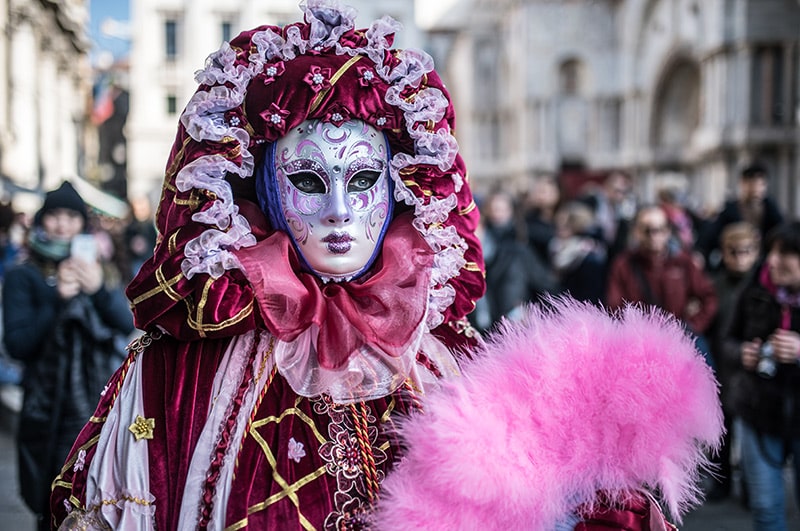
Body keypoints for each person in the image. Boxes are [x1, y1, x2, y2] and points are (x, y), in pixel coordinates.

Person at [51, 3, 485, 529]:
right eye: (307, 181)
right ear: (265, 192)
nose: (339, 213)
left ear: (398, 191)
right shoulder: (182, 368)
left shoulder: (449, 356)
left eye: (364, 180)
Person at [2, 181, 134, 531]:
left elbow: (125, 324)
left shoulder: (101, 269)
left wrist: (97, 292)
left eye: (71, 217)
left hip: (97, 405)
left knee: (97, 504)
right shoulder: (23, 275)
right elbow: (18, 345)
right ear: (42, 221)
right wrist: (58, 300)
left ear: (83, 224)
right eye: (55, 216)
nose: (62, 225)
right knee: (51, 503)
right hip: (47, 409)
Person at [721, 220, 800, 530]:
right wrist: (743, 353)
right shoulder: (755, 286)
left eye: (785, 254)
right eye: (771, 252)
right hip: (758, 411)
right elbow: (726, 341)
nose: (773, 261)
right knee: (766, 509)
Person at [606, 204, 718, 365]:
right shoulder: (623, 265)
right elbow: (615, 308)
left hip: (680, 337)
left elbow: (708, 296)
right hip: (639, 344)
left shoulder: (682, 261)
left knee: (706, 374)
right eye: (647, 230)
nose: (654, 235)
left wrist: (693, 326)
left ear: (667, 232)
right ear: (636, 232)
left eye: (659, 229)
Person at [706, 222, 761, 501]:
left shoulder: (764, 284)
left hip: (752, 369)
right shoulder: (714, 284)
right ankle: (722, 482)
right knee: (722, 431)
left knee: (751, 433)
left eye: (747, 250)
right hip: (722, 366)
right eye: (734, 251)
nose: (741, 256)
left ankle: (753, 487)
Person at [472, 189, 558, 332]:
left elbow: (549, 289)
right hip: (482, 337)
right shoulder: (462, 262)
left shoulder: (517, 251)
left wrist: (535, 316)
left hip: (518, 333)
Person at [699, 162, 784, 269]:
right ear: (743, 184)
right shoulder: (730, 210)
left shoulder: (771, 209)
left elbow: (780, 232)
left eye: (760, 184)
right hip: (733, 264)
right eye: (751, 184)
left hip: (763, 264)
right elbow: (710, 237)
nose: (756, 189)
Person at [549, 201, 606, 305]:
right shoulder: (554, 247)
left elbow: (591, 296)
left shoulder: (589, 254)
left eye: (567, 224)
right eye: (558, 223)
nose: (560, 227)